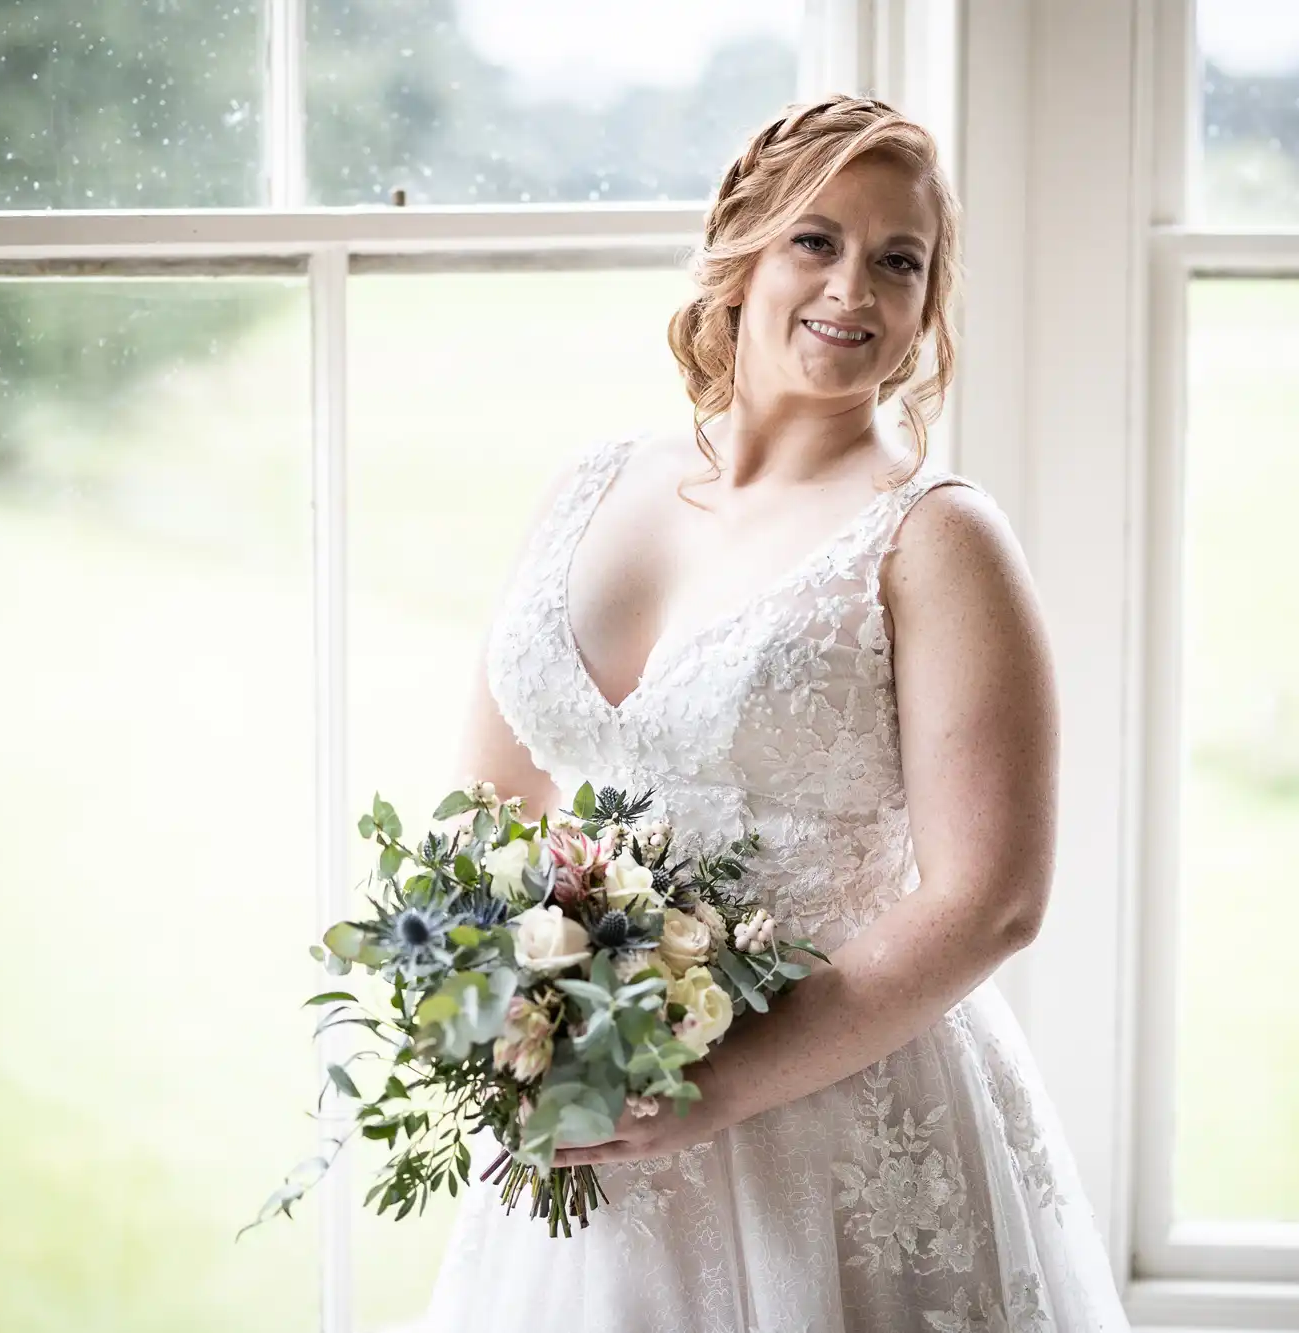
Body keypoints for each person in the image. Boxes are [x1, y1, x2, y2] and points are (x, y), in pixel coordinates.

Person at [424, 96, 1131, 1333]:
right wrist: (506, 1009)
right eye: (816, 239)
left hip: (833, 1130)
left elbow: (993, 898)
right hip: (582, 1121)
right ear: (740, 246)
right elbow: (491, 809)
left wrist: (715, 1088)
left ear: (923, 308)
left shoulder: (935, 536)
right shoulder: (593, 485)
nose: (850, 286)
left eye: (897, 260)